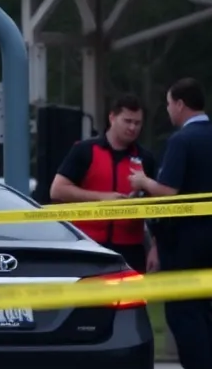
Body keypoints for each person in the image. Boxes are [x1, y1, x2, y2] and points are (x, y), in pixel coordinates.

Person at [128, 77, 212, 369]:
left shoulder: (182, 141)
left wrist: (143, 180)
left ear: (181, 104)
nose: (169, 109)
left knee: (183, 314)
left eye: (170, 103)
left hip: (185, 237)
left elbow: (169, 191)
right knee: (201, 311)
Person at [49, 94, 156, 272]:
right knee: (92, 300)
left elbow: (157, 208)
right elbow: (57, 190)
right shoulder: (85, 151)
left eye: (137, 123)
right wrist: (102, 198)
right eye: (127, 121)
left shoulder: (146, 158)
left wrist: (155, 247)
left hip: (131, 248)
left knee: (132, 299)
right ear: (112, 118)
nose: (132, 128)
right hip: (89, 245)